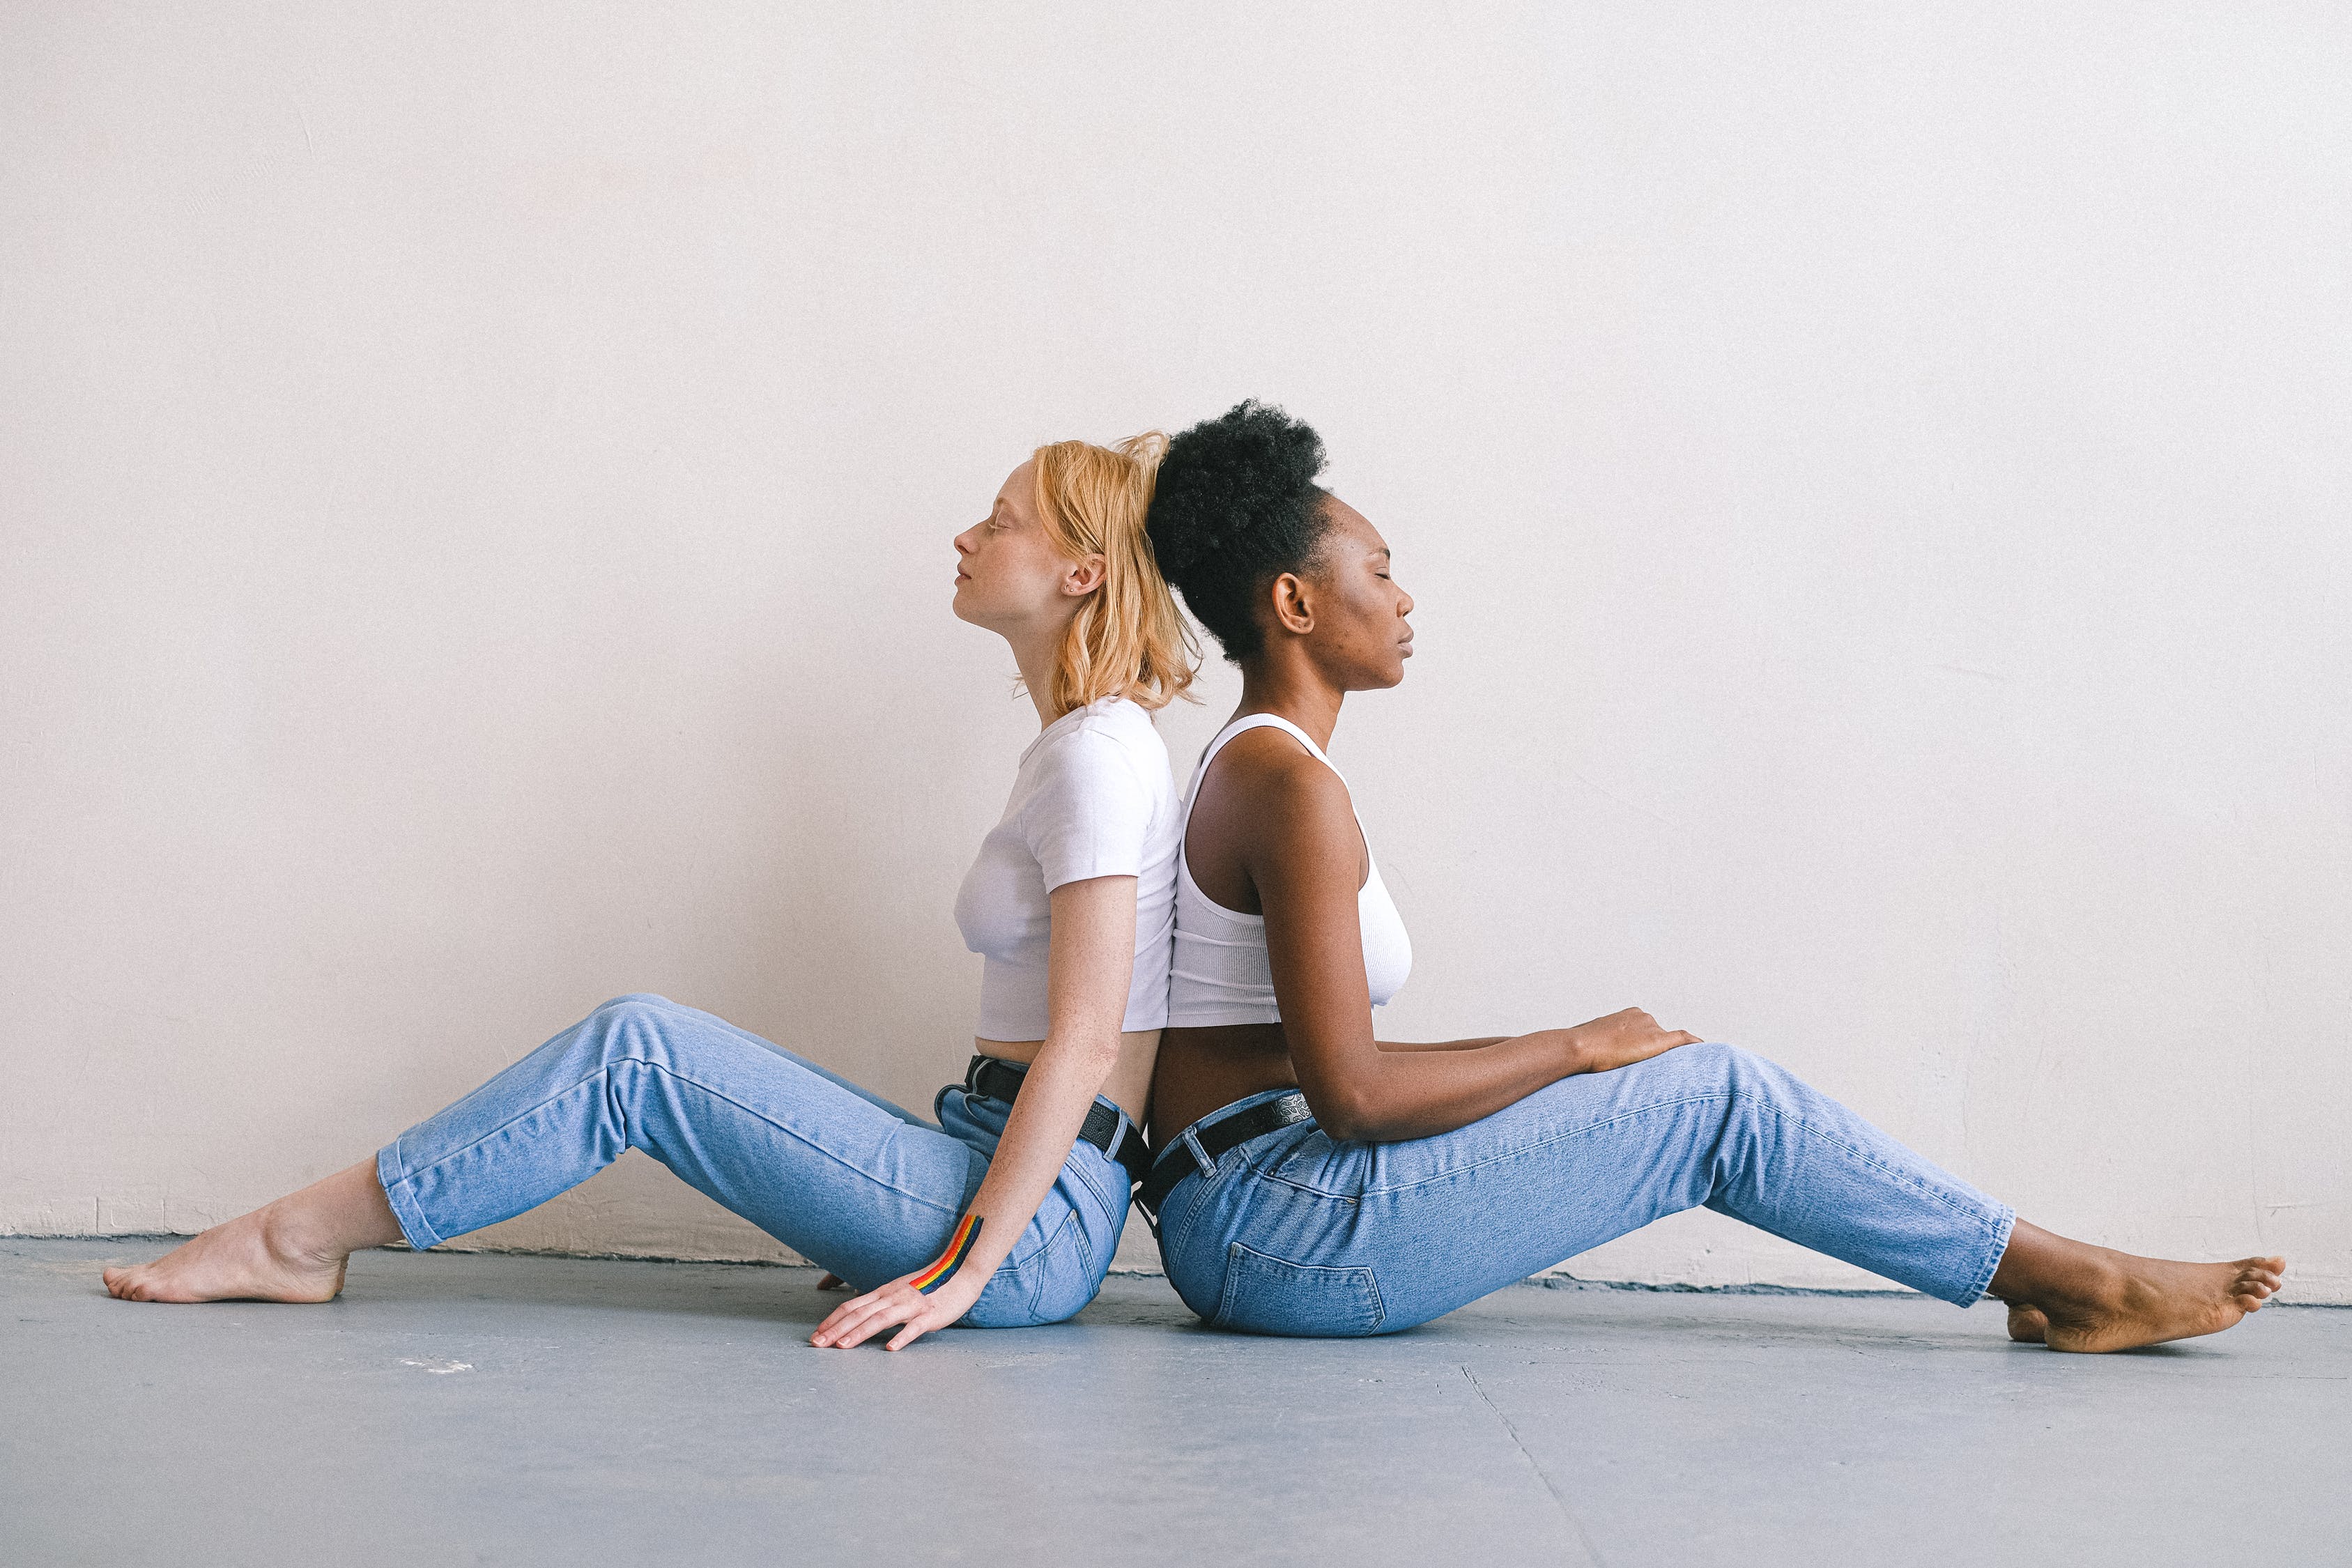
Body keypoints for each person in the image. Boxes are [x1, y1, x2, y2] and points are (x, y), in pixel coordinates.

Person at [1134, 399, 2284, 1353]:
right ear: (1294, 601)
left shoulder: (1258, 766)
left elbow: (1326, 1066)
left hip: (1247, 1205)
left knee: (1675, 1081)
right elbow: (1359, 1099)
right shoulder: (1292, 789)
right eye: (1379, 571)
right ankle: (2084, 1282)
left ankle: (2055, 1277)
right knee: (1717, 1099)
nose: (1404, 597)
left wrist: (1569, 1064)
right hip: (1278, 1232)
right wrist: (1578, 1047)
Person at [105, 432, 1194, 1352]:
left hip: (1032, 1220)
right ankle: (299, 1236)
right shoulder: (1086, 744)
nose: (966, 536)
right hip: (994, 1159)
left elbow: (1089, 1042)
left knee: (638, 1053)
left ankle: (294, 1237)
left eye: (999, 522)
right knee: (659, 1044)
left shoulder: (1098, 755)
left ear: (1080, 573)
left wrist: (962, 1268)